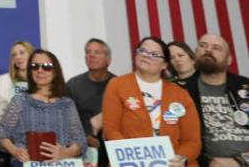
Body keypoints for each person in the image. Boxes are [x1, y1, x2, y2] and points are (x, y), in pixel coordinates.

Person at [102, 36, 201, 165]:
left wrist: (182, 158)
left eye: (154, 54)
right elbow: (111, 129)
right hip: (130, 161)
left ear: (164, 64)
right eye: (142, 51)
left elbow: (192, 141)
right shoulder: (117, 85)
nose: (146, 55)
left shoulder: (180, 94)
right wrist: (132, 155)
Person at [0, 49, 86, 165]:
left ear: (55, 71)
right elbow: (1, 133)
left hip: (61, 163)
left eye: (46, 66)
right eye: (34, 66)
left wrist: (66, 153)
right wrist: (15, 151)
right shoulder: (20, 101)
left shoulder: (67, 104)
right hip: (26, 163)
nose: (40, 70)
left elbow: (80, 140)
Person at [182, 33, 249, 166]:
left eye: (216, 48)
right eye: (202, 46)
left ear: (229, 60)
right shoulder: (182, 91)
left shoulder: (245, 87)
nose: (208, 50)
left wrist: (240, 161)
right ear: (195, 54)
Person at [67, 37, 116, 164]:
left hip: (113, 146)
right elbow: (66, 121)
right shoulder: (73, 85)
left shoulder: (119, 85)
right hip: (82, 148)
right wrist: (84, 139)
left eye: (97, 52)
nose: (91, 55)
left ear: (108, 60)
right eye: (88, 52)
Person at [0, 41, 33, 129]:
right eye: (14, 55)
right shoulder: (4, 80)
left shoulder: (41, 79)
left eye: (22, 53)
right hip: (11, 133)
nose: (18, 57)